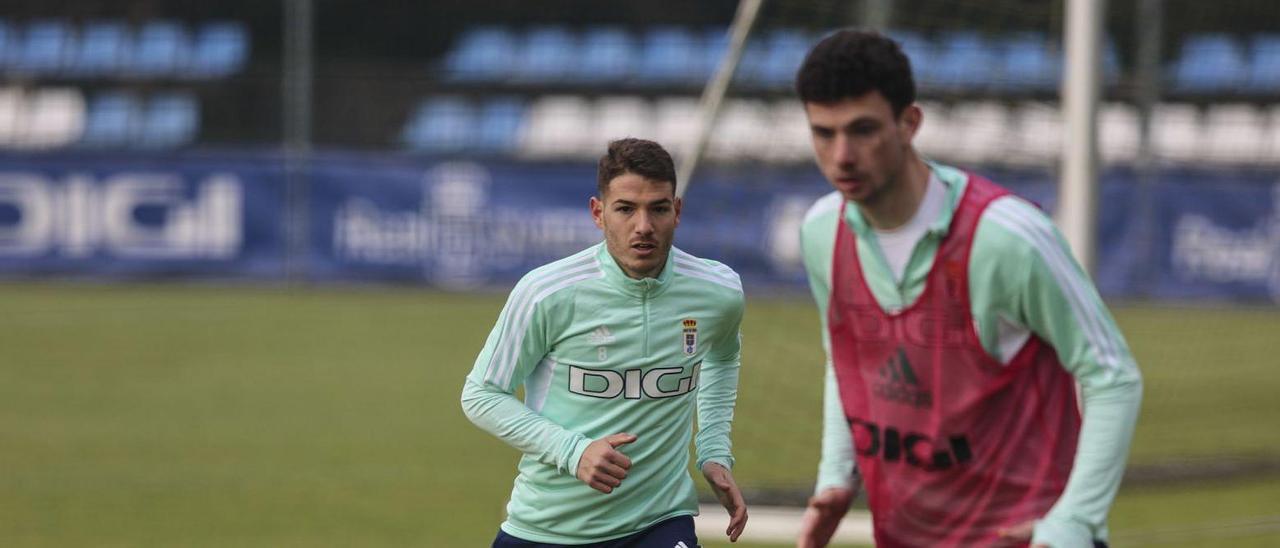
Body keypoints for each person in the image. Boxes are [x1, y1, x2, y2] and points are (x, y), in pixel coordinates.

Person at [792, 30, 1143, 548]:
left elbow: (1113, 376)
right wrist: (836, 477)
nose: (841, 154)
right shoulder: (822, 231)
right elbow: (843, 359)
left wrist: (1074, 521)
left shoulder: (1007, 237)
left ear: (909, 123)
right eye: (823, 133)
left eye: (862, 130)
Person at [461, 138, 749, 547]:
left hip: (660, 522)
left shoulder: (717, 291)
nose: (643, 226)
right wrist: (573, 452)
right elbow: (482, 394)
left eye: (658, 208)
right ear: (598, 213)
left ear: (677, 211)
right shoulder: (548, 292)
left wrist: (714, 451)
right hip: (548, 528)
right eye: (626, 208)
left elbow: (723, 357)